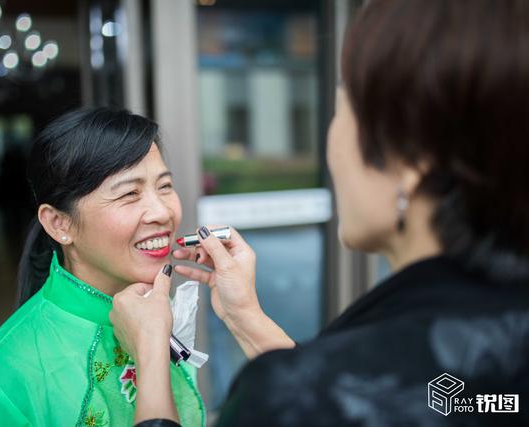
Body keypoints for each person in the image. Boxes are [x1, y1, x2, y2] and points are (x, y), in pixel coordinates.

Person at [110, 0, 529, 425]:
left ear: (409, 164)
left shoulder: (299, 394)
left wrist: (150, 354)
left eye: (341, 111)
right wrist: (245, 316)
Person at [0, 108, 205, 426]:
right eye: (129, 194)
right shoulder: (5, 371)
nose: (162, 212)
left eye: (164, 186)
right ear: (59, 223)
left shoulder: (159, 311)